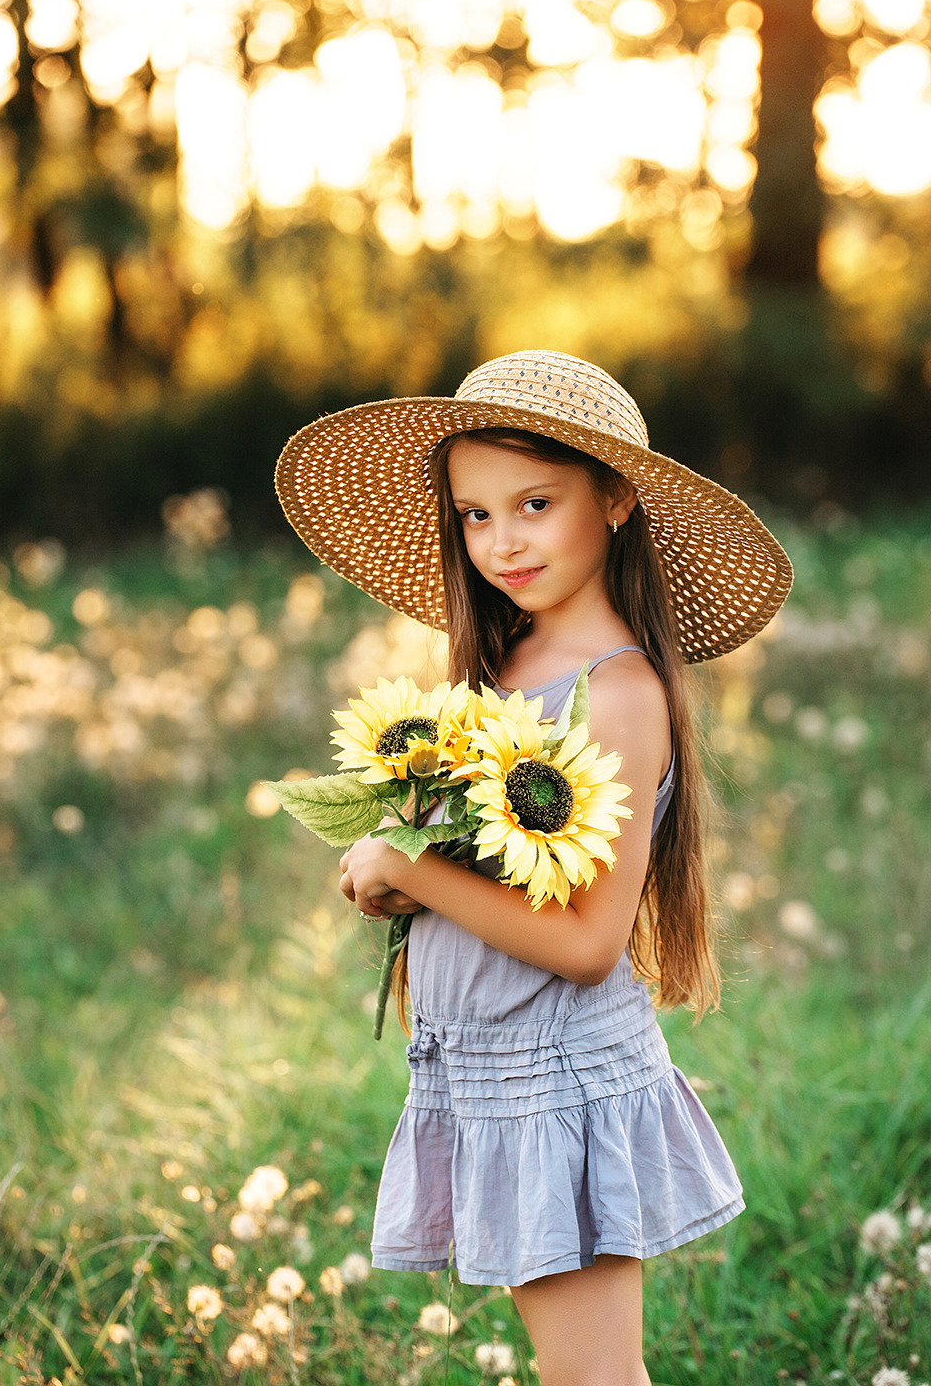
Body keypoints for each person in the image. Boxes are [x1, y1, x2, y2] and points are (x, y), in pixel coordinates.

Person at [275, 350, 793, 1386]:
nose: (501, 540)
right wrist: (386, 868)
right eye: (473, 514)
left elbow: (590, 943)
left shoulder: (616, 691)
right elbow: (489, 875)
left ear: (612, 500)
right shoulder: (503, 666)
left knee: (595, 1374)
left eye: (534, 502)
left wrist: (418, 878)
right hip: (490, 1068)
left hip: (557, 1082)